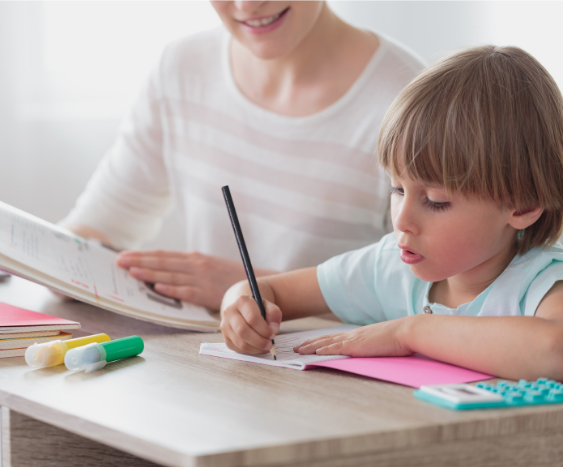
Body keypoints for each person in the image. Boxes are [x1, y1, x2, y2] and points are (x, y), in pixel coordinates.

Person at [219, 46, 563, 380]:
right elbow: (266, 291)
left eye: (435, 201)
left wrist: (409, 332)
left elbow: (554, 351)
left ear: (524, 205)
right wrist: (241, 309)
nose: (401, 221)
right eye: (398, 189)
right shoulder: (390, 267)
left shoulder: (543, 284)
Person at [60, 1, 425, 310]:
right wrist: (51, 264)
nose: (247, 5)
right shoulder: (181, 69)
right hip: (208, 364)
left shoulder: (411, 103)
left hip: (332, 379)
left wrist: (253, 287)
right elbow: (99, 225)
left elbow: (432, 296)